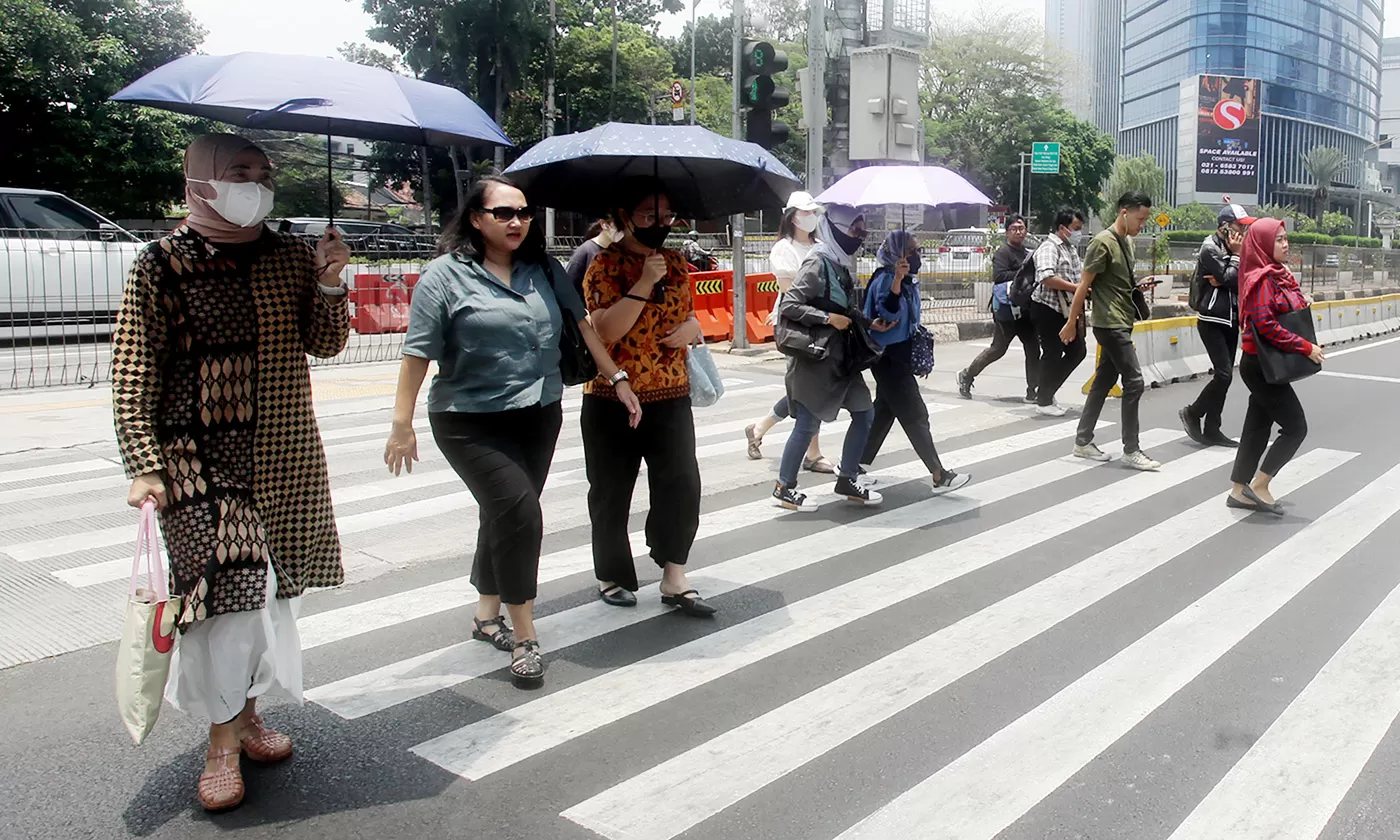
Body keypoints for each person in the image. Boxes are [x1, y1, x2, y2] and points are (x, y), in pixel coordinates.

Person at [111, 134, 352, 812]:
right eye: (240, 172)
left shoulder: (287, 256)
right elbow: (134, 366)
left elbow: (325, 343)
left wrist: (331, 279)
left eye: (264, 173)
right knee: (227, 607)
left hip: (283, 456)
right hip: (199, 461)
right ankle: (222, 743)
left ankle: (246, 714)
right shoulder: (161, 264)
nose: (256, 183)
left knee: (269, 599)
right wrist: (143, 463)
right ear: (202, 180)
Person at [385, 175, 640, 688]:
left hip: (538, 413)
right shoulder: (444, 277)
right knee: (521, 514)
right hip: (468, 420)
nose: (516, 221)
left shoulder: (543, 269)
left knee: (505, 513)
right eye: (503, 213)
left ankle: (486, 615)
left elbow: (583, 326)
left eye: (522, 212)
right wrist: (401, 424)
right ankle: (524, 635)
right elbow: (417, 353)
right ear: (476, 219)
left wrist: (617, 377)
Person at [582, 178, 715, 617]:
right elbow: (603, 330)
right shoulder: (603, 264)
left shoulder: (676, 262)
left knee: (681, 484)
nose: (659, 223)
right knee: (611, 491)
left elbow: (689, 316)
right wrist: (642, 282)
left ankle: (674, 572)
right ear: (624, 217)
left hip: (670, 393)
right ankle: (613, 574)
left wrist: (694, 330)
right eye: (647, 215)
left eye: (665, 214)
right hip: (611, 397)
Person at [772, 203, 883, 511]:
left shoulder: (839, 263)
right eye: (853, 229)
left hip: (842, 358)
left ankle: (847, 478)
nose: (858, 236)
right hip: (816, 358)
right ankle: (784, 487)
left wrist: (868, 322)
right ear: (833, 230)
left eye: (862, 230)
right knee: (807, 425)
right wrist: (826, 318)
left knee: (864, 413)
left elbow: (845, 309)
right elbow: (789, 306)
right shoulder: (817, 263)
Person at [860, 230, 971, 492]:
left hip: (900, 354)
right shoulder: (886, 278)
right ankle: (938, 475)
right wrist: (897, 280)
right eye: (911, 250)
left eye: (918, 250)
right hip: (887, 357)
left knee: (884, 412)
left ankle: (854, 466)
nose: (916, 255)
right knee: (915, 414)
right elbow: (887, 312)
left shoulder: (908, 281)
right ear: (896, 254)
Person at [1058, 191, 1162, 471]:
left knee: (1104, 381)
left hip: (1122, 319)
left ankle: (1082, 441)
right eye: (1140, 219)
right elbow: (1084, 285)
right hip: (1109, 323)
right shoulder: (1102, 243)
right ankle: (1131, 449)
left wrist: (1139, 286)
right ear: (1124, 212)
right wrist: (1071, 322)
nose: (1142, 225)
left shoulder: (1126, 242)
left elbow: (1117, 282)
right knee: (1135, 381)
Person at [1227, 218, 1323, 515]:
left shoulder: (1276, 274)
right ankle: (1261, 484)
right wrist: (1305, 347)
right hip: (1261, 364)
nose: (1285, 243)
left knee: (1257, 426)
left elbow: (1285, 308)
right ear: (1264, 244)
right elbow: (1266, 326)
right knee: (1296, 427)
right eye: (1279, 239)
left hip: (1264, 363)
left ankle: (1238, 490)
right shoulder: (1262, 279)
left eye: (1285, 238)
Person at [744, 190, 833, 472]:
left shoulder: (821, 244)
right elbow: (789, 291)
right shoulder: (784, 249)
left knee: (804, 388)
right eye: (807, 213)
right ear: (793, 217)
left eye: (814, 212)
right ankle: (813, 453)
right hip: (797, 325)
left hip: (822, 321)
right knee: (809, 388)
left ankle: (759, 427)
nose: (812, 217)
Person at [1180, 204, 1253, 447]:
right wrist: (1234, 258)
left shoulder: (1237, 248)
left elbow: (1243, 279)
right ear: (1224, 227)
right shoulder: (1209, 248)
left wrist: (1231, 272)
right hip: (1212, 320)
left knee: (1227, 376)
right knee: (1222, 374)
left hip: (1232, 318)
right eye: (1239, 225)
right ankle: (1193, 412)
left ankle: (1213, 428)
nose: (1242, 229)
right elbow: (1231, 278)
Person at [958, 214, 1041, 403]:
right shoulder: (1003, 252)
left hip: (1024, 310)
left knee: (1033, 348)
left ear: (1026, 231)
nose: (1018, 232)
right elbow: (1000, 276)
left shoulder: (1027, 253)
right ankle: (967, 375)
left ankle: (1033, 390)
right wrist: (1023, 271)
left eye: (1021, 228)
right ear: (1007, 232)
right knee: (998, 349)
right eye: (1014, 228)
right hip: (1006, 310)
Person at [1030, 209, 1088, 416]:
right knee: (1053, 353)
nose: (1079, 233)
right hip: (1048, 308)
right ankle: (1044, 400)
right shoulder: (1049, 247)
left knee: (1077, 351)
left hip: (1065, 309)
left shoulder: (1070, 249)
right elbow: (1046, 277)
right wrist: (1076, 288)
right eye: (1076, 229)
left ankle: (1046, 390)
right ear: (1063, 228)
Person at [565, 218, 618, 296]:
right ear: (604, 224)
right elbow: (569, 287)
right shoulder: (585, 251)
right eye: (618, 225)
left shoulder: (618, 252)